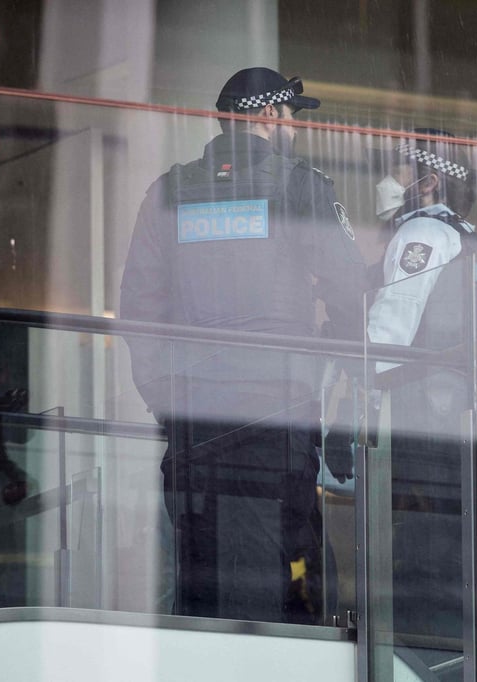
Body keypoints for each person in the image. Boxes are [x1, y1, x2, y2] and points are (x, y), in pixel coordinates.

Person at [119, 67, 367, 624]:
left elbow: (138, 310)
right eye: (291, 118)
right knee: (277, 586)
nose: (296, 131)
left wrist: (166, 400)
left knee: (199, 581)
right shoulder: (301, 185)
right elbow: (351, 295)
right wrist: (348, 395)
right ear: (265, 117)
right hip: (275, 419)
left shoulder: (169, 192)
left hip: (193, 425)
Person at [366, 130, 477, 644]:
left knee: (415, 576)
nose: (387, 182)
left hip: (422, 433)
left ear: (427, 182)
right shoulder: (473, 243)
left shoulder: (422, 234)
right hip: (464, 440)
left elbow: (388, 336)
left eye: (399, 172)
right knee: (452, 578)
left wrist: (347, 405)